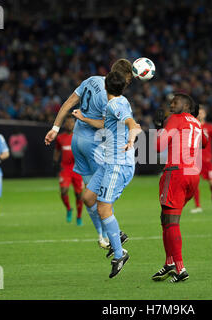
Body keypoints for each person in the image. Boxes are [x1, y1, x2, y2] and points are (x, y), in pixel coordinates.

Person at [44, 59, 133, 250]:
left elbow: (68, 103)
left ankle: (102, 237)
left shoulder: (91, 80)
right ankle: (114, 237)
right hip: (94, 146)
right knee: (103, 195)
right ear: (122, 77)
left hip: (77, 141)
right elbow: (104, 123)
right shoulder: (110, 98)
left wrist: (55, 127)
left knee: (89, 195)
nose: (127, 84)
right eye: (128, 80)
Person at [86, 71, 142, 278]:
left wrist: (132, 139)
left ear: (105, 87)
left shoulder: (114, 105)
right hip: (109, 162)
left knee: (103, 208)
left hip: (118, 164)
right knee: (88, 197)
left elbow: (131, 123)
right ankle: (115, 234)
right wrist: (83, 118)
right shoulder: (121, 100)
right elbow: (121, 122)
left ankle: (119, 254)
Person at [152, 93, 208, 283]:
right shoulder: (196, 122)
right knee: (165, 217)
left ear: (185, 105)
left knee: (172, 221)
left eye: (175, 101)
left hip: (176, 173)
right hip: (193, 175)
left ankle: (180, 268)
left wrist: (159, 128)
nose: (171, 103)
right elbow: (205, 142)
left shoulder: (175, 119)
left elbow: (158, 146)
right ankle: (169, 263)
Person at [191, 105, 212, 213]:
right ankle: (198, 206)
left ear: (205, 114)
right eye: (198, 113)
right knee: (194, 184)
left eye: (202, 112)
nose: (200, 114)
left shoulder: (210, 127)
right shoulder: (192, 126)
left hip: (207, 160)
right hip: (195, 161)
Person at [53, 116, 84, 225]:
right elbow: (57, 150)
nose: (70, 124)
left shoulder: (79, 136)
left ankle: (79, 217)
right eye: (68, 122)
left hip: (78, 169)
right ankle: (69, 209)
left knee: (79, 195)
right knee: (63, 191)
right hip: (65, 169)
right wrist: (55, 160)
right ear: (64, 124)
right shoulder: (60, 138)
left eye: (72, 122)